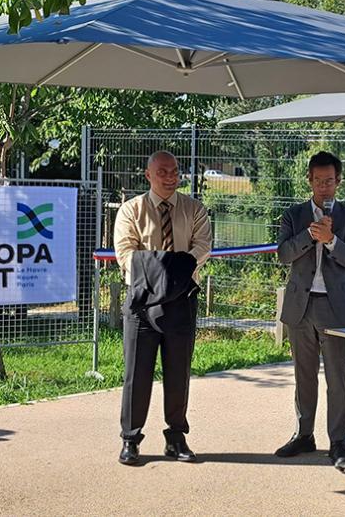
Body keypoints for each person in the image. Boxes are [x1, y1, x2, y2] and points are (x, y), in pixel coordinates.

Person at [113, 151, 212, 465]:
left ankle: (176, 437)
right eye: (162, 172)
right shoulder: (131, 210)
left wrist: (160, 267)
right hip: (142, 304)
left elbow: (202, 247)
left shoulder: (195, 209)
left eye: (174, 171)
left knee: (179, 372)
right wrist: (168, 271)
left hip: (182, 301)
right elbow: (126, 253)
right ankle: (131, 440)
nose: (170, 177)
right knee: (136, 375)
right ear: (148, 175)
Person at [274, 151, 345, 466]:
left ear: (339, 181)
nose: (324, 187)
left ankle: (338, 440)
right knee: (303, 375)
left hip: (336, 307)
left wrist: (331, 240)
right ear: (309, 180)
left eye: (330, 181)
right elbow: (283, 254)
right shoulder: (294, 214)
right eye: (318, 181)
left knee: (337, 377)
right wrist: (310, 236)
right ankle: (304, 434)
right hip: (301, 306)